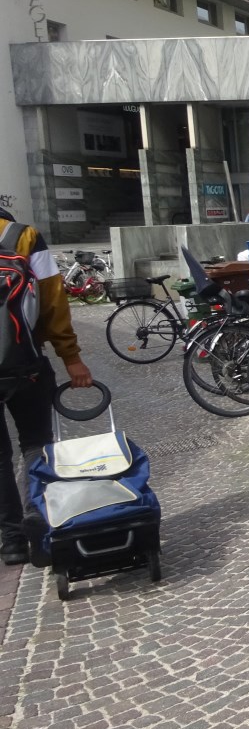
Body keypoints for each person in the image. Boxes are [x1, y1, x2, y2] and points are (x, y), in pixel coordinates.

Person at [0, 209, 92, 566]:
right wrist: (71, 357)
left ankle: (11, 542)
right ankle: (38, 516)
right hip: (26, 363)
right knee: (35, 443)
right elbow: (53, 300)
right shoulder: (23, 236)